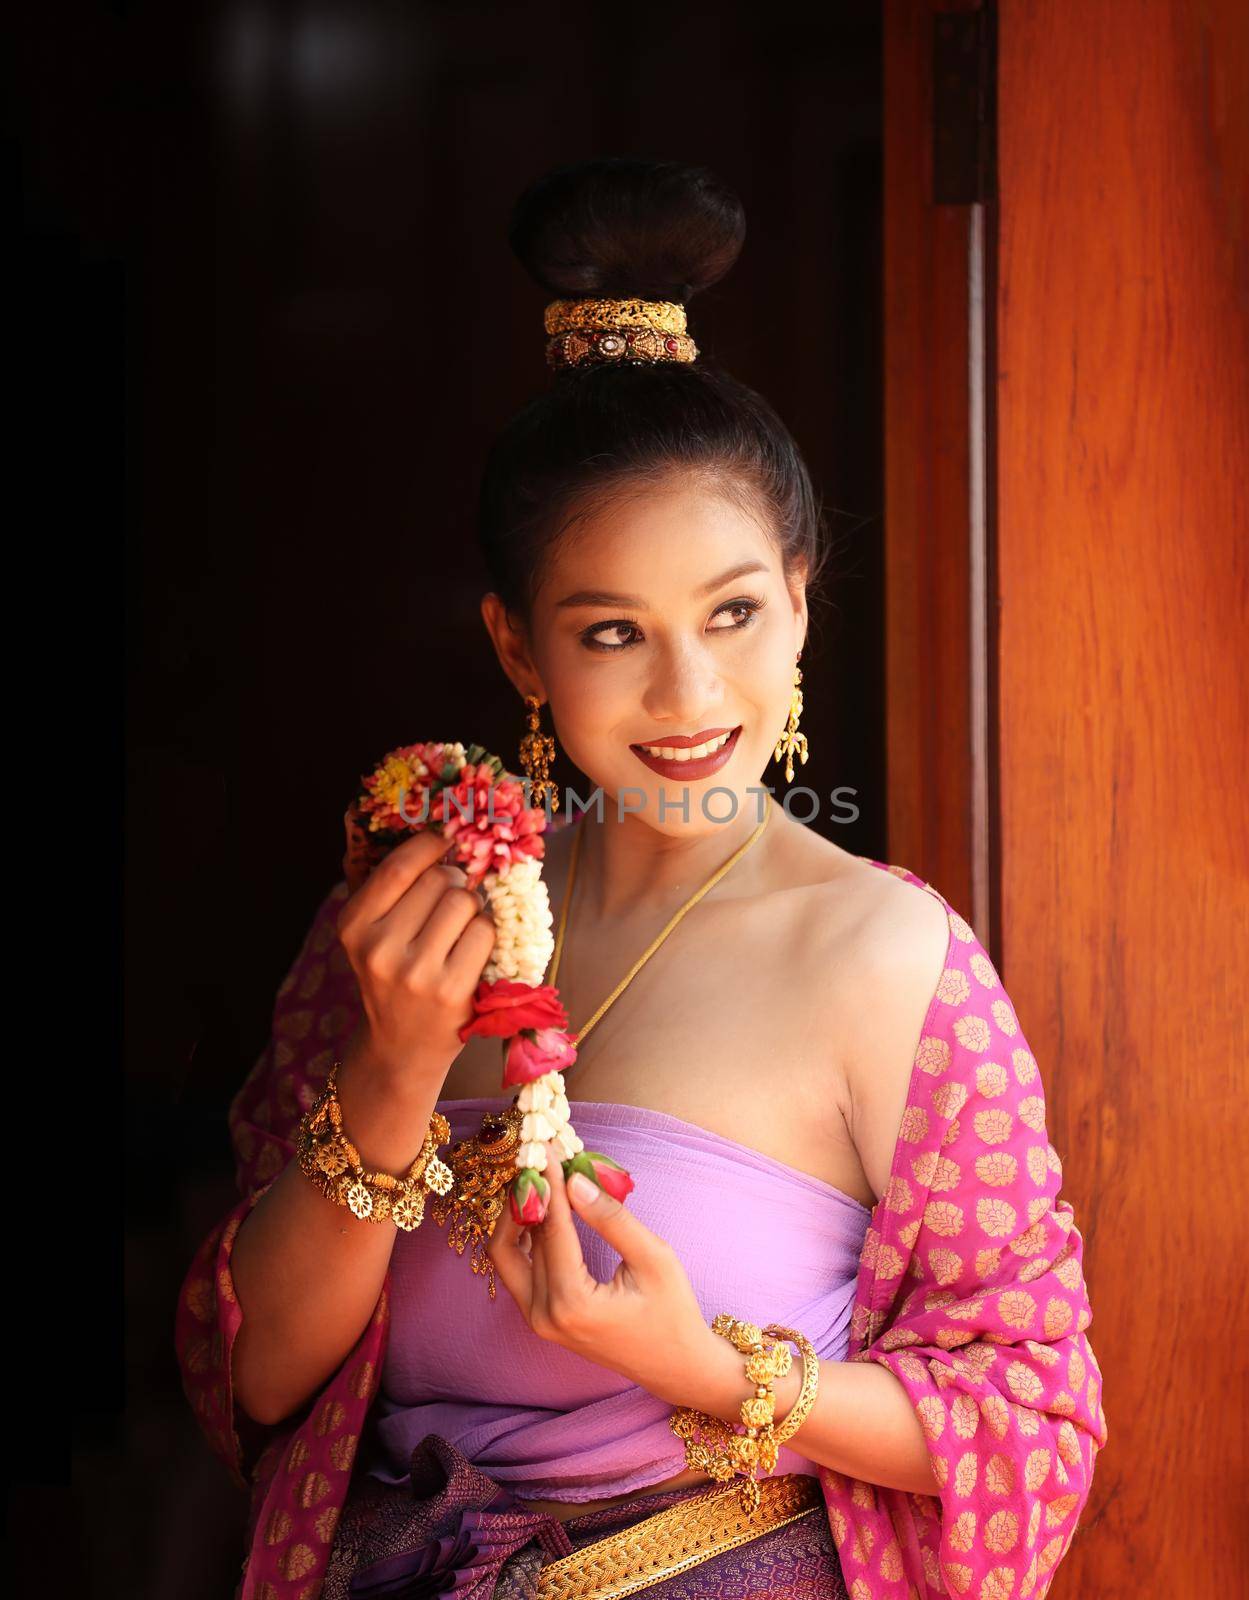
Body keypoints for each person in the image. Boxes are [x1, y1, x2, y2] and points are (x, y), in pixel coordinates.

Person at [177, 158, 1106, 1600]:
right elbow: (257, 1378)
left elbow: (1028, 1423)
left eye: (732, 612)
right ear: (513, 647)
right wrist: (398, 1064)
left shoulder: (883, 957)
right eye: (611, 631)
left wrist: (702, 1369)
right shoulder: (411, 922)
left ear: (800, 599)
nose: (689, 692)